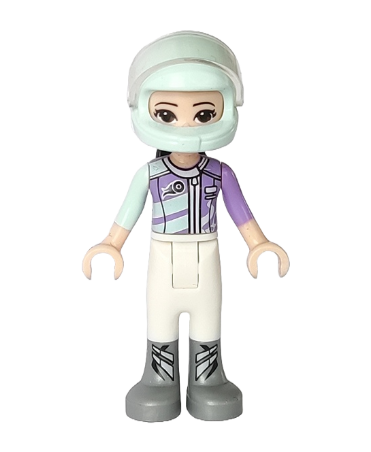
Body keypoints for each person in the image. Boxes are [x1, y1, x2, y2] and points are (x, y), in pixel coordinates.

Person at [82, 31, 289, 422]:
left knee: (208, 318)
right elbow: (128, 212)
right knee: (160, 319)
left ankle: (207, 379)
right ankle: (159, 379)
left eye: (204, 113)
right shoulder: (150, 173)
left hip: (207, 255)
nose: (186, 125)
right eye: (167, 114)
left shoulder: (220, 173)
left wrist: (258, 244)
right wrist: (111, 244)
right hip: (162, 257)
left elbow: (241, 212)